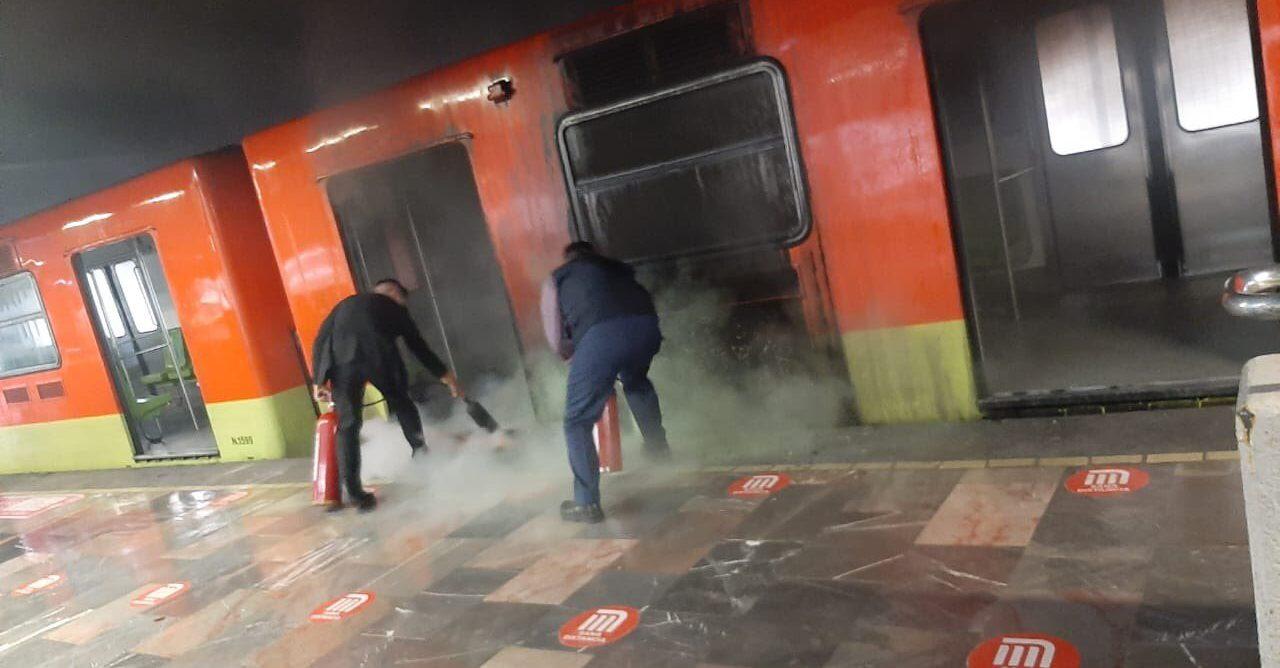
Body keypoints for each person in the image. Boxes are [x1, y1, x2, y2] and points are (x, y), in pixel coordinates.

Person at [541, 241, 670, 523]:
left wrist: (575, 359)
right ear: (595, 254)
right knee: (636, 381)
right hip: (647, 330)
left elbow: (554, 333)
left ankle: (586, 503)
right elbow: (645, 301)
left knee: (576, 421)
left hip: (601, 337)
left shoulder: (559, 277)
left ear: (569, 258)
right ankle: (659, 452)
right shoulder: (620, 270)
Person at [312, 278, 461, 512]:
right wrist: (445, 375)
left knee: (348, 425)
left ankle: (354, 492)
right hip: (380, 358)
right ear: (393, 293)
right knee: (402, 403)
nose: (404, 303)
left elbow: (321, 340)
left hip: (343, 364)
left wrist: (318, 380)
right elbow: (417, 346)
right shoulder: (393, 307)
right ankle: (421, 454)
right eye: (403, 298)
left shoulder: (344, 304)